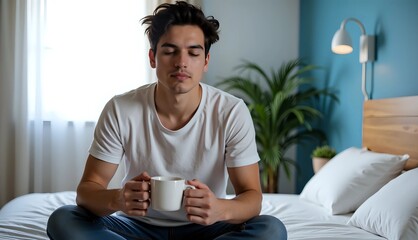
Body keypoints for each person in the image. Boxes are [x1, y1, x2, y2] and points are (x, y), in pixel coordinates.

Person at [47, 1, 287, 239]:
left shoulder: (231, 111)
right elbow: (87, 191)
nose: (181, 62)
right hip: (136, 227)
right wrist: (117, 199)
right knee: (64, 218)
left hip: (206, 228)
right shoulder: (120, 109)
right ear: (153, 58)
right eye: (170, 51)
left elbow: (252, 197)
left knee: (271, 229)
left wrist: (220, 209)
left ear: (205, 61)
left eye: (193, 52)